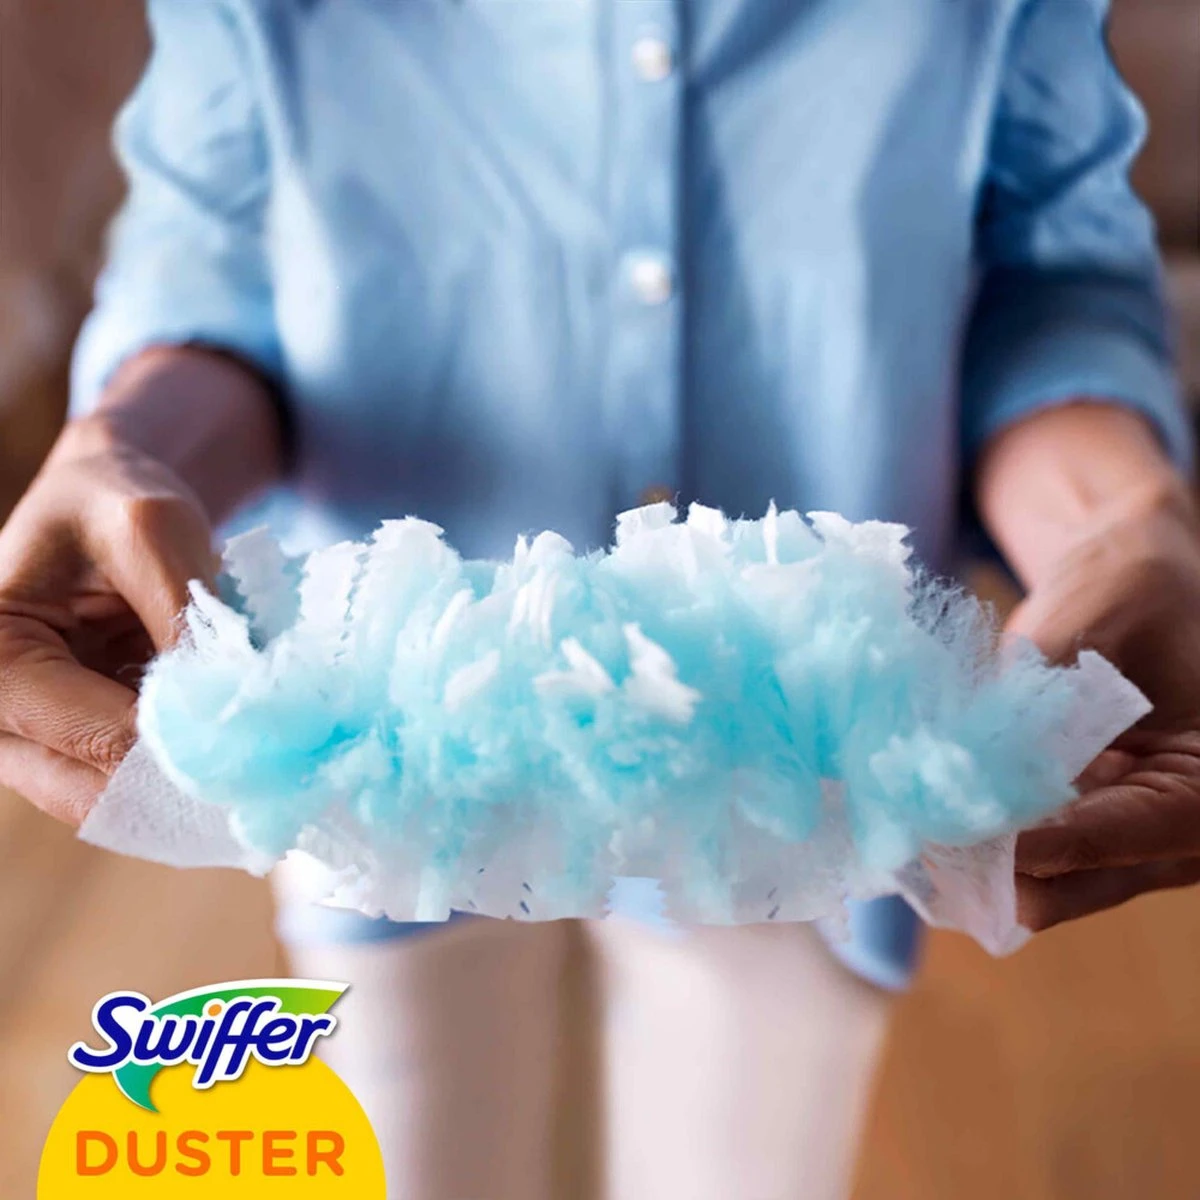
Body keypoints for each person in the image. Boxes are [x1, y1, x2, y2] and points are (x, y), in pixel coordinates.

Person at [1, 0, 1198, 1194]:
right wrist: (128, 453)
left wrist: (1123, 523)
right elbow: (213, 280)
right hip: (372, 756)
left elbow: (1046, 293)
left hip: (808, 784)